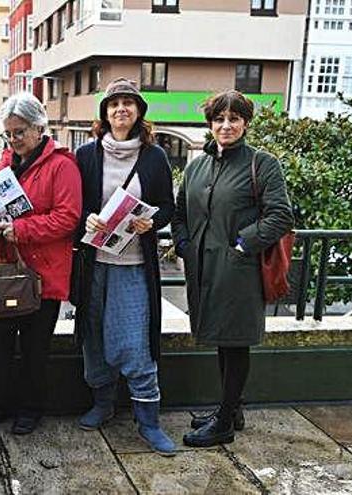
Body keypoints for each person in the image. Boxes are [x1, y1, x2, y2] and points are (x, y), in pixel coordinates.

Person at [171, 90, 294, 447]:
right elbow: (180, 214)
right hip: (203, 269)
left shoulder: (262, 163)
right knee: (221, 342)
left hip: (240, 272)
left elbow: (280, 215)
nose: (226, 126)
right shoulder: (196, 167)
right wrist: (184, 245)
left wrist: (243, 244)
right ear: (209, 124)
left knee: (235, 343)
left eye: (234, 119)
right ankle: (231, 409)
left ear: (245, 123)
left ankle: (223, 422)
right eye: (219, 119)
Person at [72, 77, 176, 456]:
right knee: (93, 334)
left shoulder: (155, 157)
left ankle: (149, 421)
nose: (121, 109)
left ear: (139, 112)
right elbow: (75, 208)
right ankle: (102, 403)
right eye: (114, 103)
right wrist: (87, 219)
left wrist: (152, 222)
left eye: (128, 103)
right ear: (104, 112)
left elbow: (167, 206)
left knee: (135, 341)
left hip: (133, 264)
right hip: (93, 263)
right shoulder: (85, 155)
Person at [0, 92, 82, 435]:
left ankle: (30, 410)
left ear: (39, 128)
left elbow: (68, 218)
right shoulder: (7, 162)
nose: (13, 139)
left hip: (43, 276)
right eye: (8, 134)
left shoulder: (63, 165)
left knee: (35, 351)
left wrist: (19, 229)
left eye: (19, 132)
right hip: (7, 271)